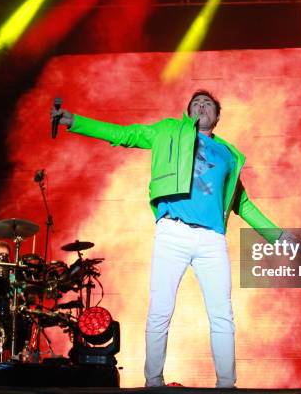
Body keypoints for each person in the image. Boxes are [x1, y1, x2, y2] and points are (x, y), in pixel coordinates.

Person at [52, 90, 286, 388]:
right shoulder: (166, 130)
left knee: (222, 314)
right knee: (160, 309)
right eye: (196, 103)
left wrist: (278, 236)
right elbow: (125, 134)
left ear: (217, 116)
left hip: (212, 239)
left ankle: (227, 384)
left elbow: (242, 203)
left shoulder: (229, 154)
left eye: (208, 104)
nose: (202, 106)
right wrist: (74, 121)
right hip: (173, 232)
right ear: (188, 112)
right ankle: (153, 381)